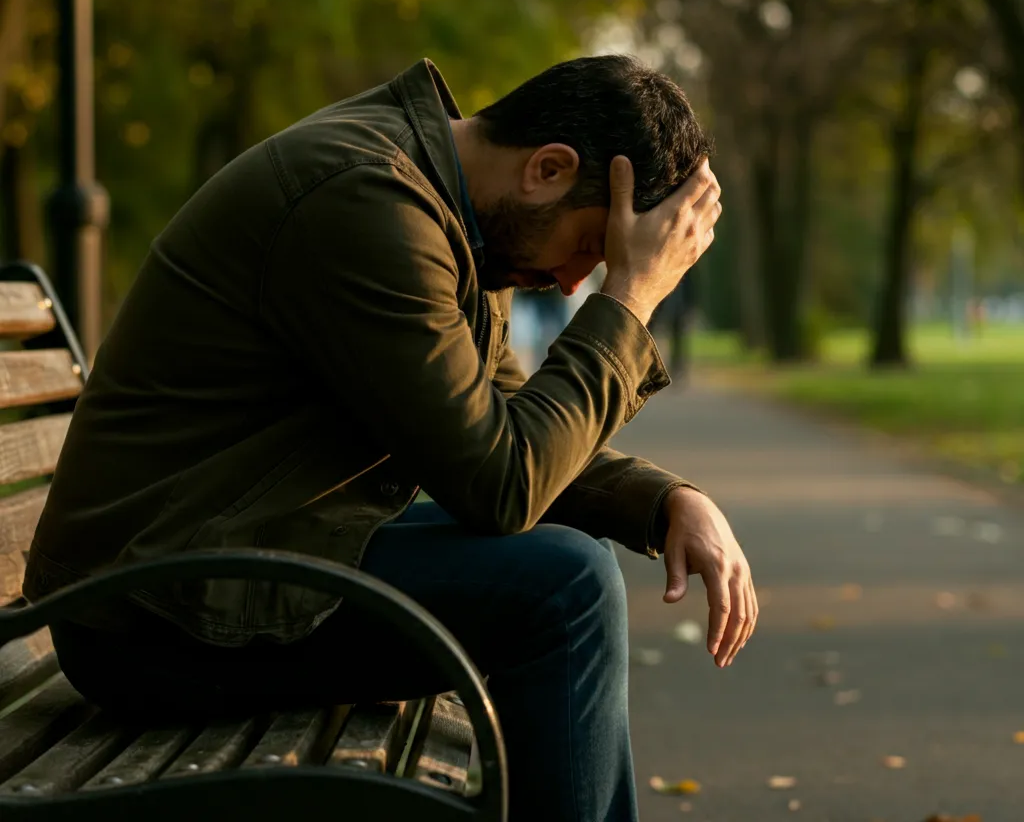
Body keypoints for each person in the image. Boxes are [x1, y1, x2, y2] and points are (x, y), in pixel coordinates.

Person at [25, 55, 756, 822]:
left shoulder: (433, 201)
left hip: (215, 562)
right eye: (589, 248)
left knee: (569, 565)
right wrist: (632, 299)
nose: (576, 283)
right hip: (151, 618)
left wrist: (665, 499)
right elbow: (503, 484)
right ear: (547, 168)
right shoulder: (367, 202)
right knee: (564, 586)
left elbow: (507, 431)